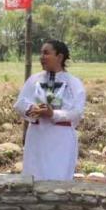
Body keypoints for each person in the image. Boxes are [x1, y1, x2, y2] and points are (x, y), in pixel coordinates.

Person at [14, 40, 86, 181]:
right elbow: (20, 103)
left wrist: (53, 114)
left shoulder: (74, 83)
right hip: (37, 138)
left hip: (60, 139)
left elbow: (77, 112)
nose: (41, 57)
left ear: (59, 57)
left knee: (58, 178)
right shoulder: (34, 80)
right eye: (41, 53)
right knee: (34, 178)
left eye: (46, 53)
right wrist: (31, 109)